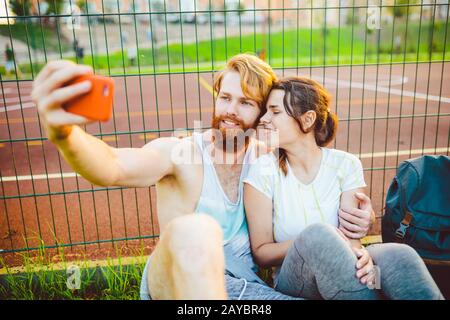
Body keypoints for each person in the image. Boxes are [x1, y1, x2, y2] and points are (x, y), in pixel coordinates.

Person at [31, 54, 373, 300]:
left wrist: (362, 217)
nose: (229, 111)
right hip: (175, 282)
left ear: (262, 113)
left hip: (244, 289)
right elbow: (112, 166)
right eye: (225, 97)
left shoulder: (267, 161)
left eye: (245, 103)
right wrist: (66, 134)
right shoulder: (182, 153)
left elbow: (319, 186)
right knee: (197, 230)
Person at [243, 76, 444, 300]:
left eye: (275, 112)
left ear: (307, 119)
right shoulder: (262, 169)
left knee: (399, 256)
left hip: (349, 271)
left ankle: (372, 281)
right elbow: (261, 252)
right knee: (319, 236)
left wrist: (359, 255)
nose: (264, 118)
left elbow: (353, 240)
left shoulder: (346, 164)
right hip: (296, 280)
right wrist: (319, 242)